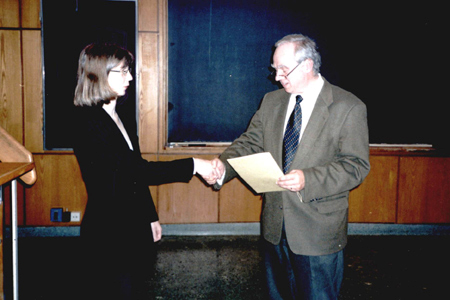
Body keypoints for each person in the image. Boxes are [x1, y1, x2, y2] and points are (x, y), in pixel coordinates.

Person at [210, 34, 370, 299]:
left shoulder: (348, 107)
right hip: (275, 227)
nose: (276, 77)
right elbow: (250, 142)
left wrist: (308, 178)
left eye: (284, 69)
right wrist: (223, 167)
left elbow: (356, 166)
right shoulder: (272, 101)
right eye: (275, 69)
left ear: (307, 65)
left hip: (318, 231)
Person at [71, 43, 219, 299]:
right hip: (108, 232)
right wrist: (195, 165)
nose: (130, 77)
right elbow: (138, 171)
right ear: (97, 75)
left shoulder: (122, 115)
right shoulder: (88, 122)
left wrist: (150, 215)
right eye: (122, 71)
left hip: (132, 224)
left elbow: (134, 174)